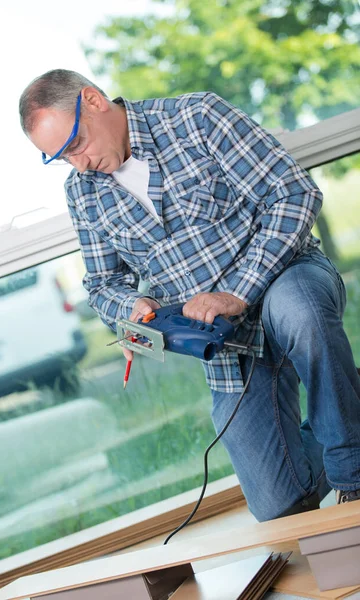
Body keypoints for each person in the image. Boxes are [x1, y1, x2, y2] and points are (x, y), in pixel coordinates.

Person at [19, 69, 360, 522]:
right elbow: (103, 286)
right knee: (280, 504)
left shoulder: (197, 117)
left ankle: (353, 476)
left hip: (287, 278)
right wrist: (133, 307)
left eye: (76, 144)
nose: (78, 164)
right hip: (227, 347)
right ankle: (351, 405)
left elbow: (293, 194)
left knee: (300, 314)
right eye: (61, 158)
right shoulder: (83, 194)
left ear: (94, 100)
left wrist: (236, 292)